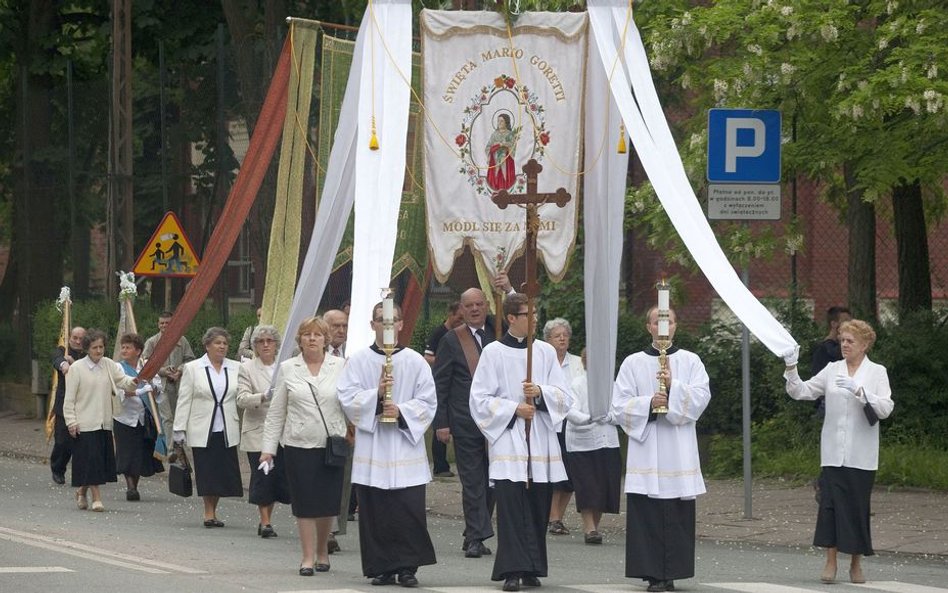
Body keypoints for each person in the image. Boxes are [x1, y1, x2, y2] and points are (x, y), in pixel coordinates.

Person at [470, 293, 575, 592]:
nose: (534, 318)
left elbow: (565, 395)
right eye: (528, 314)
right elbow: (479, 399)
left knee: (537, 505)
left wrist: (540, 392)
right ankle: (512, 569)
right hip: (509, 439)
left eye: (535, 313)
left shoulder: (543, 352)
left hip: (539, 440)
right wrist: (514, 408)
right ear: (511, 319)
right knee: (512, 506)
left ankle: (532, 567)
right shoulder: (493, 353)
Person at [782, 319, 894, 585]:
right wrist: (791, 367)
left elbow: (886, 408)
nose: (844, 345)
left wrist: (860, 391)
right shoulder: (832, 370)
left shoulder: (877, 372)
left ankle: (856, 564)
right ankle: (830, 561)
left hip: (861, 455)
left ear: (865, 345)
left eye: (850, 341)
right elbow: (803, 391)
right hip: (833, 451)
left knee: (856, 508)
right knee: (830, 507)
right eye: (842, 340)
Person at [337, 301, 438, 587]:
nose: (388, 326)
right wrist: (377, 397)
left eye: (393, 320)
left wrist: (402, 411)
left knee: (407, 510)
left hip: (405, 448)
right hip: (373, 447)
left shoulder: (415, 361)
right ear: (372, 325)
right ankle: (381, 567)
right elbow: (346, 397)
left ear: (402, 324)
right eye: (382, 320)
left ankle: (407, 567)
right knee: (376, 510)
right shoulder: (358, 361)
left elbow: (429, 401)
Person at [611, 307, 711, 593]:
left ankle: (672, 573)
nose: (663, 327)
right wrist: (648, 405)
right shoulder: (633, 363)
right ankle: (652, 574)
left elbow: (702, 398)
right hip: (647, 450)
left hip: (678, 451)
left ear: (677, 326)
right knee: (648, 513)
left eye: (669, 321)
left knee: (676, 512)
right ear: (649, 327)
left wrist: (673, 386)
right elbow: (619, 405)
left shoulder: (691, 361)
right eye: (658, 322)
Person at [260, 317, 346, 576]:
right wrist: (268, 449)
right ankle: (307, 557)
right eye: (307, 334)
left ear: (325, 339)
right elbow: (276, 413)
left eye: (317, 335)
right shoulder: (288, 368)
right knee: (305, 503)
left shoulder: (340, 366)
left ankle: (322, 550)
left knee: (327, 504)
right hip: (298, 445)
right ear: (300, 339)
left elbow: (350, 404)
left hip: (331, 446)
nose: (312, 339)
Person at [433, 288, 499, 558]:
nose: (474, 309)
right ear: (461, 309)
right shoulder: (451, 340)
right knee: (473, 481)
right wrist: (441, 422)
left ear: (486, 306)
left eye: (479, 304)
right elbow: (441, 384)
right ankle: (475, 536)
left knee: (491, 481)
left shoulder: (498, 336)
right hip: (464, 421)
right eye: (469, 305)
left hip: (496, 422)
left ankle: (474, 531)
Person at [173, 327, 243, 527]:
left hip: (227, 427)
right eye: (217, 343)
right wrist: (179, 429)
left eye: (225, 343)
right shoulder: (193, 368)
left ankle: (214, 509)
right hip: (202, 427)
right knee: (207, 471)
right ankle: (208, 512)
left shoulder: (236, 367)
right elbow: (184, 399)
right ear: (207, 345)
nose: (222, 347)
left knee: (222, 472)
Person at [63, 329, 139, 512]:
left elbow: (123, 381)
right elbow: (69, 399)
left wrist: (136, 381)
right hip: (84, 422)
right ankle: (96, 498)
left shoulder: (108, 365)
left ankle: (81, 492)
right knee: (92, 460)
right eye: (95, 347)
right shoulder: (77, 369)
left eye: (101, 347)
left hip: (104, 421)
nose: (99, 351)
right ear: (87, 348)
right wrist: (71, 422)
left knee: (96, 463)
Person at [237, 324, 290, 539]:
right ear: (255, 346)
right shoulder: (247, 368)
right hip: (258, 431)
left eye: (270, 341)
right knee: (263, 476)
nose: (266, 345)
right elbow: (241, 399)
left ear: (277, 344)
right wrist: (263, 396)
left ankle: (268, 517)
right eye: (261, 342)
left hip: (283, 432)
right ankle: (265, 521)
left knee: (277, 477)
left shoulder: (285, 367)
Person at [565, 349, 622, 545]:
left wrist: (611, 417)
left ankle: (594, 527)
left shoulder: (613, 386)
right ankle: (589, 527)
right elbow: (570, 410)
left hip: (607, 441)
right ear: (585, 362)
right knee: (588, 487)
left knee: (603, 487)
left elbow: (622, 409)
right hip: (583, 444)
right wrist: (588, 419)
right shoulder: (577, 383)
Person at [542, 317, 584, 536]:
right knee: (552, 472)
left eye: (565, 335)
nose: (561, 339)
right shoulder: (542, 361)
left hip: (573, 424)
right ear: (547, 340)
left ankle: (558, 517)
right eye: (556, 336)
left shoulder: (577, 363)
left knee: (570, 475)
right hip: (550, 424)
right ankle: (551, 517)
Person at [113, 333, 162, 501]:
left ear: (138, 351)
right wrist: (138, 391)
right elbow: (119, 390)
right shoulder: (118, 368)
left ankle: (135, 485)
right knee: (127, 452)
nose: (124, 350)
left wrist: (153, 387)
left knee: (140, 453)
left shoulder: (147, 367)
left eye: (128, 347)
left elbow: (157, 390)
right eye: (123, 347)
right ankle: (130, 487)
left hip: (143, 417)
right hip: (124, 417)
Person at [323, 308, 352, 551]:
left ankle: (333, 527)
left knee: (342, 481)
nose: (341, 331)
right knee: (320, 480)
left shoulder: (354, 355)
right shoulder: (310, 355)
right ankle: (323, 527)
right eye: (335, 326)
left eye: (344, 326)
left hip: (346, 428)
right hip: (317, 426)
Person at [143, 311, 195, 446]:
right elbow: (144, 363)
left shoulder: (182, 341)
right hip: (161, 386)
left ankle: (180, 444)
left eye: (168, 323)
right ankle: (172, 448)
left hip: (180, 385)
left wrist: (180, 370)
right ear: (158, 324)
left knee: (180, 415)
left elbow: (190, 360)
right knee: (167, 418)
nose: (165, 325)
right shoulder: (152, 342)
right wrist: (162, 371)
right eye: (162, 323)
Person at [424, 301, 464, 478]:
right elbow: (427, 357)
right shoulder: (439, 333)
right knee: (440, 424)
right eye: (459, 317)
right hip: (440, 381)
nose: (461, 321)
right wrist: (446, 361)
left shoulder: (463, 334)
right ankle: (440, 466)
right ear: (450, 314)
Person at [50, 326, 86, 485]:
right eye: (75, 338)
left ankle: (83, 474)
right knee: (62, 442)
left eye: (81, 339)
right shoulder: (62, 349)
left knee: (83, 441)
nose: (78, 341)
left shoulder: (89, 353)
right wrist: (64, 364)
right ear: (69, 337)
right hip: (64, 404)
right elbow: (56, 360)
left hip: (84, 403)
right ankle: (58, 469)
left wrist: (76, 363)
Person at [486, 112, 517, 191]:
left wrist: (505, 145)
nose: (499, 123)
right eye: (498, 121)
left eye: (501, 121)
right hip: (495, 160)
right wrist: (494, 147)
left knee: (506, 178)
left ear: (506, 122)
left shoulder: (510, 134)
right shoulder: (494, 134)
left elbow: (513, 146)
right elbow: (488, 147)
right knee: (495, 179)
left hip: (507, 161)